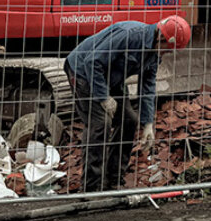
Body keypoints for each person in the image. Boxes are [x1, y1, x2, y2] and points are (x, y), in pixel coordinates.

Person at [64, 16, 191, 192]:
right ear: (161, 38)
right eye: (168, 49)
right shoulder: (129, 35)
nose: (167, 53)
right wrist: (104, 98)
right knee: (100, 124)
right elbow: (92, 62)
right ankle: (91, 188)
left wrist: (148, 124)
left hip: (110, 78)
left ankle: (113, 180)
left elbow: (147, 87)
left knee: (129, 120)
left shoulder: (154, 52)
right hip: (83, 73)